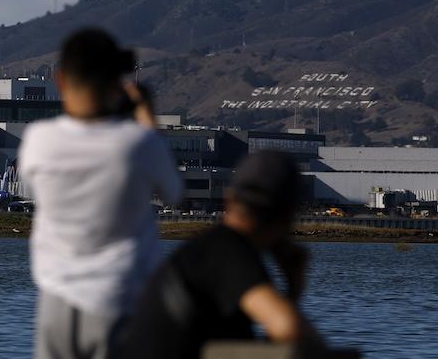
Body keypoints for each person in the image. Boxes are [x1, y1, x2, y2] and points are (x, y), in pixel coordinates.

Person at [19, 28, 182, 359]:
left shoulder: (38, 139)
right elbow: (174, 194)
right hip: (120, 299)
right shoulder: (138, 143)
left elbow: (32, 187)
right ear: (115, 83)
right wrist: (147, 119)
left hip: (55, 305)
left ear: (60, 80)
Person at [121, 151, 322, 359]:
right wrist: (295, 286)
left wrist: (293, 291)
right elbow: (289, 328)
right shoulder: (227, 251)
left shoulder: (206, 249)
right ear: (287, 218)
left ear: (230, 199)